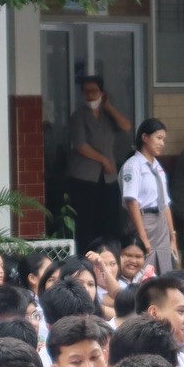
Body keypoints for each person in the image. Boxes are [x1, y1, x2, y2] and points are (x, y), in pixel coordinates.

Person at [67, 75, 132, 252]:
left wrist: (109, 107)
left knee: (110, 219)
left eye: (94, 91)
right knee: (86, 221)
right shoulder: (78, 115)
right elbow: (80, 145)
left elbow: (126, 126)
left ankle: (109, 254)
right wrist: (103, 160)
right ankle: (86, 255)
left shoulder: (107, 115)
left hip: (108, 177)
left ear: (102, 93)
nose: (90, 95)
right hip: (84, 176)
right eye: (86, 92)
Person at [120, 118, 178, 275]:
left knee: (164, 268)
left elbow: (165, 203)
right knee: (143, 269)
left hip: (161, 222)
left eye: (163, 139)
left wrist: (172, 235)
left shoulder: (157, 166)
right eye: (158, 138)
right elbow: (132, 202)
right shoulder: (133, 165)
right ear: (145, 137)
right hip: (144, 220)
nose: (161, 143)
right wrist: (143, 236)